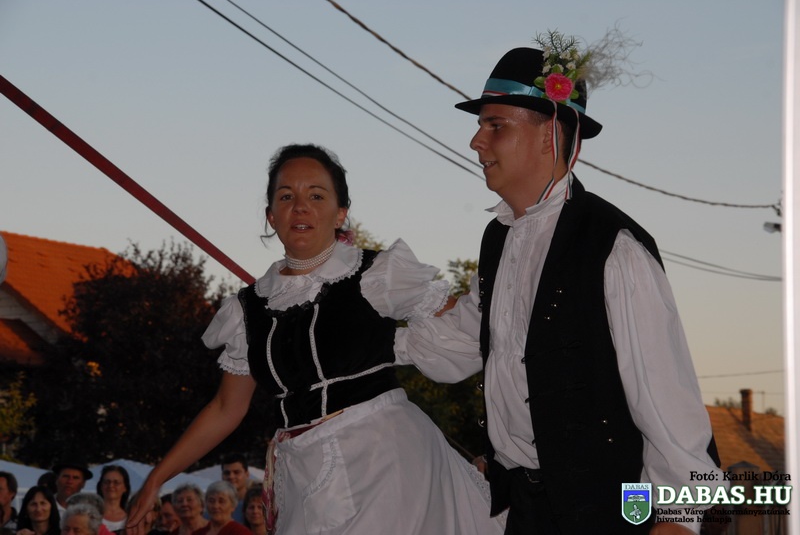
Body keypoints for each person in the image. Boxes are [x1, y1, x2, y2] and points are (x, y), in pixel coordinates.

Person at [394, 31, 726, 534]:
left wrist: (680, 519)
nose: (476, 142)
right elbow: (463, 343)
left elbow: (668, 403)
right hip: (525, 511)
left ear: (549, 133)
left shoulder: (614, 247)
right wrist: (365, 332)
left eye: (495, 125)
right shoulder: (499, 238)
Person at [126, 144, 504, 535]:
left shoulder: (377, 274)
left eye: (317, 196)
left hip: (385, 461)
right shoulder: (247, 310)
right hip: (302, 473)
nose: (300, 207)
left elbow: (470, 325)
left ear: (340, 213)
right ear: (271, 216)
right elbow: (225, 408)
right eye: (286, 196)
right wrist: (156, 479)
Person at [95, 466, 130, 533]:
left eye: (116, 482)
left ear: (125, 487)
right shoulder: (90, 516)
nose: (111, 485)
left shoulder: (131, 519)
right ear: (101, 486)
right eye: (107, 482)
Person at [219, 455, 249, 524]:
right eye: (227, 473)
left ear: (247, 474)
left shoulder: (257, 505)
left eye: (236, 472)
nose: (231, 476)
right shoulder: (215, 505)